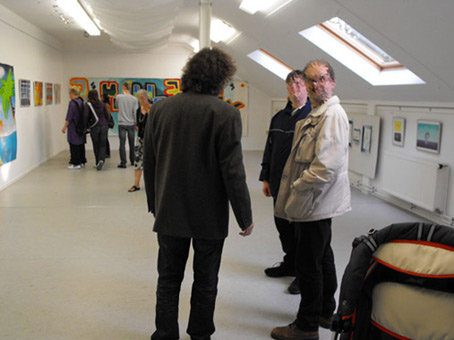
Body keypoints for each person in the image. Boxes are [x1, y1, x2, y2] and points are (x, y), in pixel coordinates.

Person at [143, 47, 254, 340]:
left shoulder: (160, 109)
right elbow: (233, 171)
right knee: (206, 281)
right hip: (209, 218)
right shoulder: (226, 113)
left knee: (168, 279)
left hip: (170, 211)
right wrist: (245, 217)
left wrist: (155, 203)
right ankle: (200, 335)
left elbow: (150, 161)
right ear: (220, 78)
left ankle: (165, 334)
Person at [272, 60, 351, 340]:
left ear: (332, 81)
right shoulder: (319, 113)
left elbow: (325, 167)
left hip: (314, 200)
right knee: (322, 256)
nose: (316, 85)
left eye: (322, 79)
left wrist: (297, 186)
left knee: (308, 264)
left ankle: (306, 326)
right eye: (311, 80)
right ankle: (324, 312)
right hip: (316, 202)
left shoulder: (331, 116)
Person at [259, 70, 311, 295]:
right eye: (290, 85)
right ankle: (290, 263)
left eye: (299, 84)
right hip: (278, 182)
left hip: (301, 185)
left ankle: (302, 273)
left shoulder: (312, 117)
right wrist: (265, 177)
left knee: (300, 230)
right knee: (282, 225)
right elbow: (269, 148)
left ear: (307, 87)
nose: (295, 89)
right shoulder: (279, 117)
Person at [128, 89, 151, 192]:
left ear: (146, 97)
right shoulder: (138, 110)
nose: (140, 100)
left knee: (151, 162)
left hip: (151, 139)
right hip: (140, 138)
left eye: (142, 98)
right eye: (139, 98)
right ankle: (136, 184)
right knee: (137, 161)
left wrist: (148, 112)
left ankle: (152, 184)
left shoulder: (153, 108)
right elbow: (138, 124)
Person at [61, 86, 86, 169]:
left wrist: (64, 126)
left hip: (74, 127)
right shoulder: (81, 101)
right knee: (81, 144)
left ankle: (76, 163)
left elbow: (69, 116)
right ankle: (82, 161)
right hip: (81, 126)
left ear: (72, 93)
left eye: (69, 93)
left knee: (73, 144)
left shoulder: (72, 103)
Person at [85, 89, 109, 171]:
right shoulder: (102, 104)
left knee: (96, 145)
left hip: (95, 127)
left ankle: (97, 162)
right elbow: (107, 115)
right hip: (104, 126)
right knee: (103, 145)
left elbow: (86, 116)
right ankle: (102, 160)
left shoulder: (88, 105)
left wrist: (86, 126)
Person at [116, 82, 138, 168]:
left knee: (122, 143)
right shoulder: (134, 99)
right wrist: (136, 124)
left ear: (123, 87)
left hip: (121, 122)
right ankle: (132, 161)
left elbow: (117, 106)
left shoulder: (118, 97)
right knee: (131, 143)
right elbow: (135, 112)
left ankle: (123, 162)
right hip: (131, 123)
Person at [102, 93, 112, 158]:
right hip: (105, 123)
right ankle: (106, 152)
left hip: (105, 123)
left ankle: (107, 153)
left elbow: (107, 114)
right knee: (105, 138)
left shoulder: (106, 105)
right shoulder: (106, 105)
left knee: (105, 138)